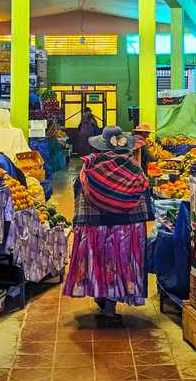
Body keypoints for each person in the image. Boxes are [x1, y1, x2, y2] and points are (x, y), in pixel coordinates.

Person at [63, 126, 154, 323]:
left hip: (96, 225)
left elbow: (79, 193)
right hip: (126, 226)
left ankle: (101, 295)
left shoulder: (90, 167)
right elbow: (144, 196)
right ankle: (110, 309)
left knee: (100, 260)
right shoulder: (134, 168)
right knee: (119, 263)